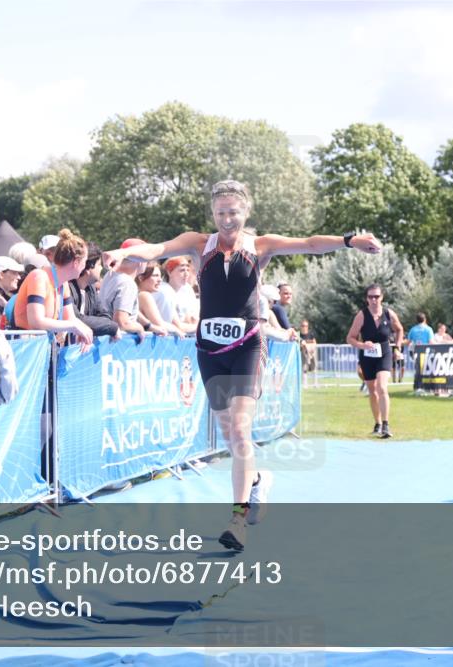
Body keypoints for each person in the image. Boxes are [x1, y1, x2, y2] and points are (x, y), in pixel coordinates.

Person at [103, 179, 382, 551]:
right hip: (209, 350)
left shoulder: (260, 246)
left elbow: (310, 243)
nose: (226, 219)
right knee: (230, 435)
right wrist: (123, 253)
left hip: (247, 345)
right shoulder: (198, 244)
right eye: (220, 213)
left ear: (245, 212)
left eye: (233, 212)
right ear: (213, 213)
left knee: (238, 428)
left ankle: (237, 519)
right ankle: (257, 481)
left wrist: (350, 241)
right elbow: (157, 248)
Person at [13, 229, 94, 350]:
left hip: (40, 349)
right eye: (85, 261)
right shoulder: (39, 277)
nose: (85, 266)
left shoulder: (63, 284)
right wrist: (73, 326)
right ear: (76, 262)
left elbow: (70, 318)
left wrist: (85, 331)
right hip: (24, 349)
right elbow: (36, 322)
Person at [346, 284, 404, 439]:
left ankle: (386, 424)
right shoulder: (361, 315)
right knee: (372, 391)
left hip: (384, 352)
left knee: (382, 387)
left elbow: (399, 329)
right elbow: (350, 338)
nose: (373, 300)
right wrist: (362, 345)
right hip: (367, 356)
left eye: (376, 297)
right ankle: (377, 423)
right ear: (367, 299)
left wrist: (397, 347)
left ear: (382, 297)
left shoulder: (389, 314)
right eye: (370, 297)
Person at [100, 238, 168, 339]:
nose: (147, 263)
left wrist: (148, 326)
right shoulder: (127, 283)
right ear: (140, 261)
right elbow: (122, 322)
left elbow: (124, 308)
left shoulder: (110, 275)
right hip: (117, 344)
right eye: (146, 260)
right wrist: (140, 328)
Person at [68, 243, 119, 338]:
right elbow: (76, 319)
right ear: (88, 268)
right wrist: (112, 327)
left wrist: (95, 329)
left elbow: (105, 315)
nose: (101, 268)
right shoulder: (67, 287)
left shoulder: (91, 289)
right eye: (99, 264)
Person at [154, 256, 198, 334]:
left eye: (188, 270)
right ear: (169, 272)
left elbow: (191, 319)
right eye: (182, 270)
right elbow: (178, 326)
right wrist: (199, 327)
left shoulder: (187, 289)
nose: (186, 274)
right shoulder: (163, 291)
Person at [136, 262, 178, 335]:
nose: (160, 280)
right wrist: (176, 329)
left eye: (160, 276)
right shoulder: (145, 296)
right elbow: (159, 324)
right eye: (155, 276)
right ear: (141, 278)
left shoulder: (139, 295)